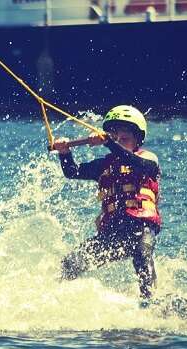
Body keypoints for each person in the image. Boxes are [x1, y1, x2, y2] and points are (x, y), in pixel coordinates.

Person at [53, 105, 161, 299]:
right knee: (71, 262)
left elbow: (137, 164)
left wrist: (110, 143)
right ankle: (55, 298)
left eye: (125, 138)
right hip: (113, 233)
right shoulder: (102, 166)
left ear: (138, 139)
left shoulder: (147, 159)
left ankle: (152, 301)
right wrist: (64, 152)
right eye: (114, 136)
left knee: (141, 255)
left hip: (141, 228)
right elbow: (72, 172)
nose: (119, 141)